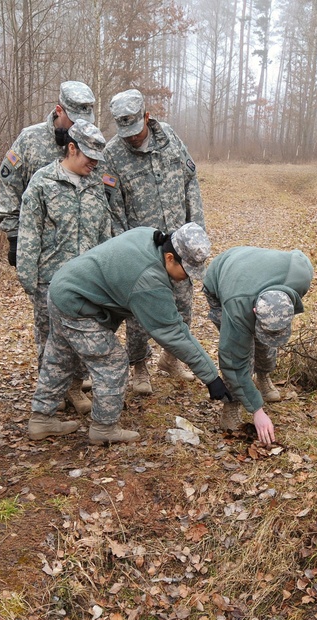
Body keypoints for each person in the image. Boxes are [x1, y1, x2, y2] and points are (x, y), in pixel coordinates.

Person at [27, 223, 233, 443]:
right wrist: (211, 378)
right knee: (112, 362)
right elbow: (174, 333)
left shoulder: (150, 236)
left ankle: (41, 420)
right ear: (171, 257)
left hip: (61, 288)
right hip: (77, 306)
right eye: (188, 270)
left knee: (60, 357)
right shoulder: (149, 280)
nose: (189, 277)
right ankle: (104, 429)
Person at [103, 89, 205, 395]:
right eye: (126, 132)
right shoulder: (112, 155)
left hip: (179, 242)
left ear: (147, 117)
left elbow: (191, 181)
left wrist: (196, 227)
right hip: (143, 249)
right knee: (139, 315)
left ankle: (171, 359)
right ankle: (140, 367)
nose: (131, 138)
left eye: (136, 130)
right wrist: (126, 250)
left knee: (183, 305)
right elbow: (114, 208)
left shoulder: (170, 138)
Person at [16, 119, 113, 416]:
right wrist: (29, 280)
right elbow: (29, 233)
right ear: (71, 148)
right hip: (51, 279)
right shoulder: (43, 182)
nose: (93, 164)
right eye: (88, 158)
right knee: (49, 340)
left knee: (85, 338)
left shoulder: (97, 184)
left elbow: (105, 233)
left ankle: (74, 386)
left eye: (98, 160)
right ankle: (51, 393)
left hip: (88, 282)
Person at [201, 247, 314, 444]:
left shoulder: (301, 275)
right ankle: (231, 406)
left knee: (264, 341)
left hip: (250, 268)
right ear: (254, 310)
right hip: (222, 278)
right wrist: (257, 410)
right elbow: (233, 361)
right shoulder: (237, 307)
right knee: (241, 350)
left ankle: (263, 375)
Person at [0, 81, 96, 267]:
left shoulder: (91, 142)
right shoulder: (30, 139)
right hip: (41, 247)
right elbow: (10, 184)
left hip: (83, 248)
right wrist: (15, 237)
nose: (79, 127)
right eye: (74, 121)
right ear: (59, 110)